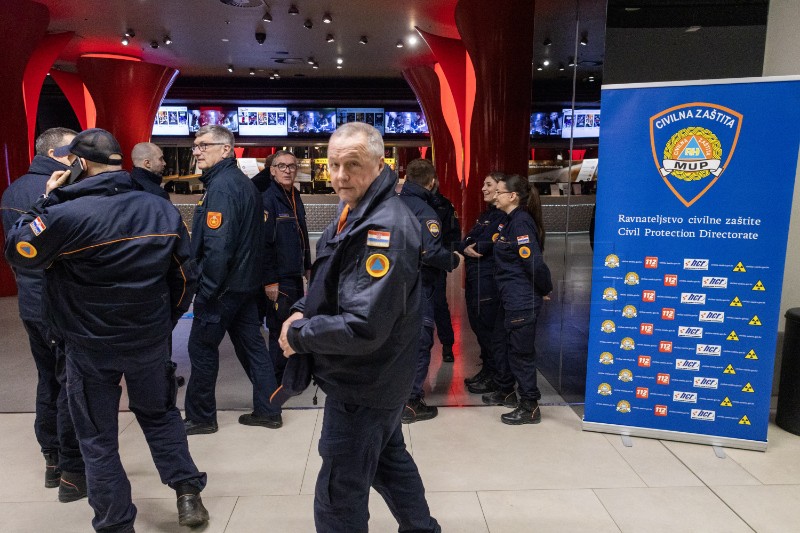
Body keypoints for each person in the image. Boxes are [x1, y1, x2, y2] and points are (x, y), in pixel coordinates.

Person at [4, 128, 209, 531]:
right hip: (148, 339)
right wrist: (164, 320)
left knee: (98, 439)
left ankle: (116, 523)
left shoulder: (62, 215)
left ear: (79, 164)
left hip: (89, 345)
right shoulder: (160, 210)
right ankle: (187, 494)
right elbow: (186, 277)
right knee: (160, 413)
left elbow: (21, 250)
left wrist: (47, 197)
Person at [277, 122, 441, 532]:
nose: (339, 175)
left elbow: (362, 326)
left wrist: (299, 336)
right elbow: (331, 280)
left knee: (339, 492)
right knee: (390, 463)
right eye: (333, 164)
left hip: (364, 382)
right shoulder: (353, 207)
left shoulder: (383, 228)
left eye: (352, 164)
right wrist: (302, 308)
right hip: (378, 379)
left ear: (378, 164)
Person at [0, 127, 86, 501]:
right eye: (74, 150)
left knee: (46, 380)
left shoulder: (13, 190)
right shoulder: (59, 192)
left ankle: (51, 459)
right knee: (69, 383)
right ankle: (71, 470)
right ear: (57, 154)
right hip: (58, 302)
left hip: (31, 303)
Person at [184, 124, 282, 434]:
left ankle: (201, 418)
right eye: (195, 145)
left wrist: (208, 290)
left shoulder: (223, 186)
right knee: (253, 347)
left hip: (222, 288)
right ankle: (268, 411)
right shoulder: (241, 183)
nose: (197, 150)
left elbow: (219, 245)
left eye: (204, 145)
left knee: (201, 348)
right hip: (243, 286)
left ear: (226, 149)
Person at [482, 173, 552, 424]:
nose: (495, 195)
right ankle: (509, 391)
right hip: (510, 297)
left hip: (521, 297)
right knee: (505, 346)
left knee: (521, 353)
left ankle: (530, 404)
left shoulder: (520, 222)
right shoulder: (509, 220)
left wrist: (545, 288)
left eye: (499, 191)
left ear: (512, 196)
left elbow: (532, 261)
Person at [399, 159, 461, 423]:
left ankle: (398, 396)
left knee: (401, 344)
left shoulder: (393, 204)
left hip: (393, 286)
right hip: (420, 284)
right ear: (432, 181)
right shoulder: (426, 212)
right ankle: (412, 403)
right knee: (421, 343)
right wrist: (455, 260)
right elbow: (432, 252)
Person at [262, 150, 311, 382]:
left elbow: (302, 233)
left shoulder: (294, 196)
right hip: (279, 279)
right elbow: (264, 243)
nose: (288, 170)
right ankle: (276, 378)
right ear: (272, 171)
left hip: (295, 275)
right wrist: (270, 279)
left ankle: (293, 375)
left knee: (295, 324)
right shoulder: (268, 199)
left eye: (292, 166)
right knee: (278, 328)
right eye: (281, 166)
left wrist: (308, 266)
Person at [457, 172, 508, 393]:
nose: (483, 189)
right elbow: (466, 240)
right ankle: (488, 370)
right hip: (475, 280)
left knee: (490, 332)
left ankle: (497, 376)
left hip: (488, 282)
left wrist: (471, 244)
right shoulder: (486, 215)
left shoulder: (504, 217)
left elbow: (482, 245)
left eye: (489, 185)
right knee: (479, 328)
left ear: (501, 188)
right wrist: (468, 244)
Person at [429, 179, 461, 362]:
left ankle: (447, 345)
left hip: (436, 265)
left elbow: (453, 234)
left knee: (439, 306)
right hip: (413, 265)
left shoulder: (445, 205)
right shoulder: (410, 203)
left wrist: (445, 257)